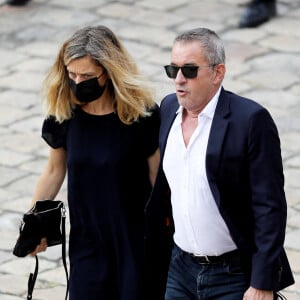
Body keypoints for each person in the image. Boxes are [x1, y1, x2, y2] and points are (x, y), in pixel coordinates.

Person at [145, 28, 294, 300]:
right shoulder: (167, 109)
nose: (178, 80)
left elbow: (269, 206)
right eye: (172, 70)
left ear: (217, 73)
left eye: (189, 70)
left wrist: (262, 282)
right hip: (180, 269)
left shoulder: (250, 120)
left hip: (232, 274)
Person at [30, 25, 160, 300]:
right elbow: (54, 170)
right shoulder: (65, 112)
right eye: (72, 74)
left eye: (87, 75)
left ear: (109, 71)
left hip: (135, 240)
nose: (78, 82)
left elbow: (157, 176)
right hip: (87, 239)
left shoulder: (140, 115)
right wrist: (34, 222)